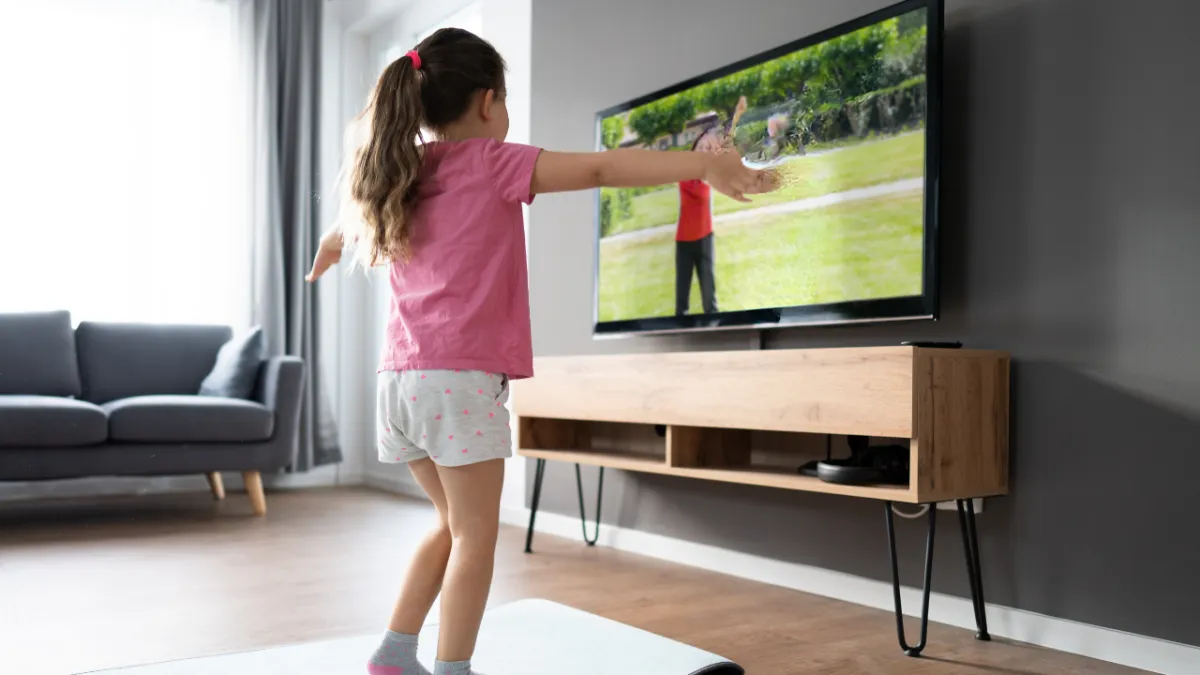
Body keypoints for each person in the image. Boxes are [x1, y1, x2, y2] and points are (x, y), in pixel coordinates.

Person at [306, 28, 776, 675]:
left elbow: (347, 224)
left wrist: (331, 245)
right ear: (486, 101)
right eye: (504, 103)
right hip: (458, 382)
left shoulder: (402, 169)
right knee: (476, 534)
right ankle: (453, 668)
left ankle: (394, 652)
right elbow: (602, 167)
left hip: (399, 384)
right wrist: (705, 164)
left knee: (448, 523)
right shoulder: (492, 162)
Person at [675, 96, 748, 316]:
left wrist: (737, 116)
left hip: (705, 237)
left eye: (709, 147)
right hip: (684, 242)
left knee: (710, 299)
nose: (706, 148)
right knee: (682, 302)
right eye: (703, 145)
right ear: (694, 146)